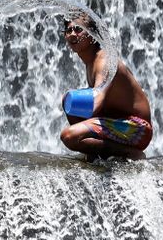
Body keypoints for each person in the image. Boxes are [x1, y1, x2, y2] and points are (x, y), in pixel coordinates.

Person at [59, 13, 152, 159]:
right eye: (68, 31)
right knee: (70, 101)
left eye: (78, 29)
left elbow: (97, 103)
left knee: (69, 135)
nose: (72, 34)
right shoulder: (91, 62)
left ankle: (130, 154)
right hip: (118, 124)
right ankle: (98, 156)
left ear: (92, 35)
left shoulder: (104, 62)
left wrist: (80, 128)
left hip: (137, 129)